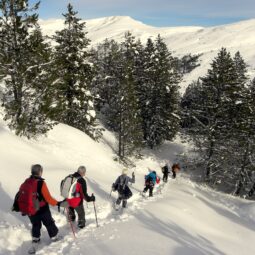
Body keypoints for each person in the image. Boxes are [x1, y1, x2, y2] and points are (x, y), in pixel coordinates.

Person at [12, 164, 66, 254]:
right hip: (42, 209)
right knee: (49, 223)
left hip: (30, 209)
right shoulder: (41, 183)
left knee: (35, 224)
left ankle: (36, 239)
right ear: (40, 172)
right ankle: (54, 237)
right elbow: (48, 198)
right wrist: (59, 203)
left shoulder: (26, 181)